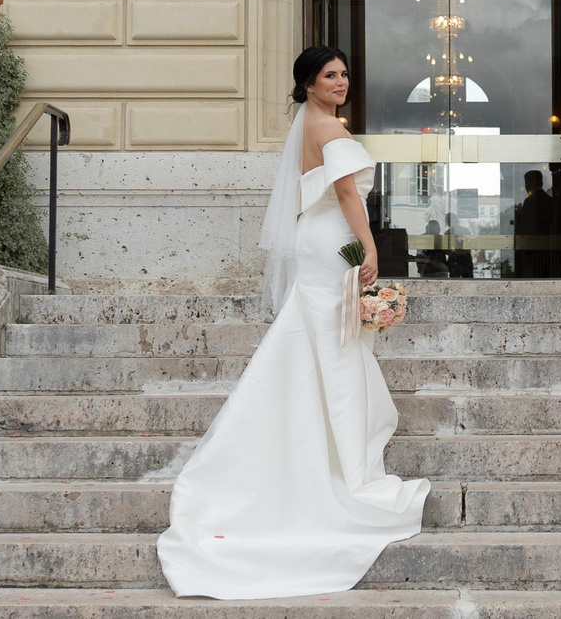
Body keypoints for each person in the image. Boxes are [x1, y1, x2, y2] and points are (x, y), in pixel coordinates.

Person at [156, 47, 428, 597]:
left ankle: (317, 443)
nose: (341, 82)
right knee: (330, 345)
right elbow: (348, 193)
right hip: (334, 243)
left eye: (345, 74)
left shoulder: (312, 124)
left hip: (318, 242)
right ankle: (336, 464)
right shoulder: (327, 128)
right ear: (308, 83)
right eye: (330, 75)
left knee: (320, 342)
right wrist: (371, 248)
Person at [509, 169, 557, 279]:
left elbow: (527, 226)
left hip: (531, 248)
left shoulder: (529, 201)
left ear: (528, 183)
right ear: (541, 183)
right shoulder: (550, 200)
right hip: (547, 248)